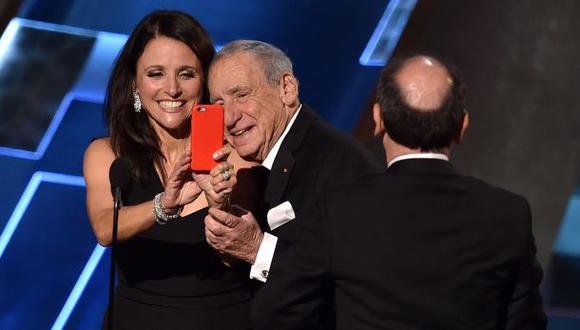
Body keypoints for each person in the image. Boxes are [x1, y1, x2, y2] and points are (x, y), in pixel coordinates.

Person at [253, 55, 547, 329]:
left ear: (378, 120)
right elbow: (526, 323)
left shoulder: (340, 208)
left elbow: (277, 311)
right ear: (462, 125)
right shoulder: (508, 214)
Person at [83, 11, 252, 329]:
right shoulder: (107, 153)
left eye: (186, 74)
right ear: (134, 82)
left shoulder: (239, 156)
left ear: (205, 81)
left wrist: (219, 206)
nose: (172, 89)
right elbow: (106, 228)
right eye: (156, 74)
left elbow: (237, 258)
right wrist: (166, 205)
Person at [202, 39, 383, 323]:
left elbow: (356, 279)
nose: (229, 117)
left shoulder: (338, 162)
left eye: (242, 95)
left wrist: (257, 249)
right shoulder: (263, 165)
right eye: (219, 104)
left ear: (286, 89)